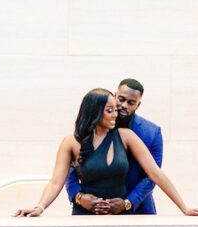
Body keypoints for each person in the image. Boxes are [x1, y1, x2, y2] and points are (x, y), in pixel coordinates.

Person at [13, 88, 198, 217]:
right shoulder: (70, 142)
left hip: (121, 217)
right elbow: (56, 181)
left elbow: (155, 173)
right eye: (110, 110)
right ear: (94, 112)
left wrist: (184, 208)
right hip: (85, 216)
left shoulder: (126, 136)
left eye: (115, 110)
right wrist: (39, 207)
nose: (116, 114)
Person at [66, 78, 161, 215]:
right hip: (92, 207)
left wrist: (128, 202)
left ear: (138, 105)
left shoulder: (152, 133)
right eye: (121, 99)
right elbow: (71, 168)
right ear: (115, 95)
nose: (123, 105)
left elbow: (153, 175)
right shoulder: (94, 125)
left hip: (137, 207)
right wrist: (79, 196)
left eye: (131, 103)